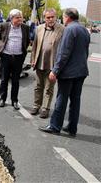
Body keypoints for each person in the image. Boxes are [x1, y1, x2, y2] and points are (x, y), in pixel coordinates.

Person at [39, 8, 90, 137]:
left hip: (68, 73)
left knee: (61, 98)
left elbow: (63, 53)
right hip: (81, 71)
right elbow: (85, 51)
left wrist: (55, 70)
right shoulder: (84, 30)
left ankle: (55, 126)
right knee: (75, 100)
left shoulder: (69, 30)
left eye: (63, 16)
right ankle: (72, 128)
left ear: (67, 17)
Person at [30, 8, 64, 118]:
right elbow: (34, 45)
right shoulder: (39, 28)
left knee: (49, 88)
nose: (50, 19)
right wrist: (33, 59)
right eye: (48, 17)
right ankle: (36, 106)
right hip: (39, 61)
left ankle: (45, 108)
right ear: (44, 18)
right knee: (38, 86)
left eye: (52, 17)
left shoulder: (62, 29)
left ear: (56, 16)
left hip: (53, 63)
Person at [0, 9, 30, 110]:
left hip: (18, 57)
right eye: (17, 18)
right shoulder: (4, 26)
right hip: (6, 56)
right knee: (4, 79)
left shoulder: (25, 27)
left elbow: (27, 41)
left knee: (16, 80)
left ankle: (15, 100)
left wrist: (23, 51)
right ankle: (2, 99)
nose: (20, 19)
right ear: (11, 18)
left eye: (21, 17)